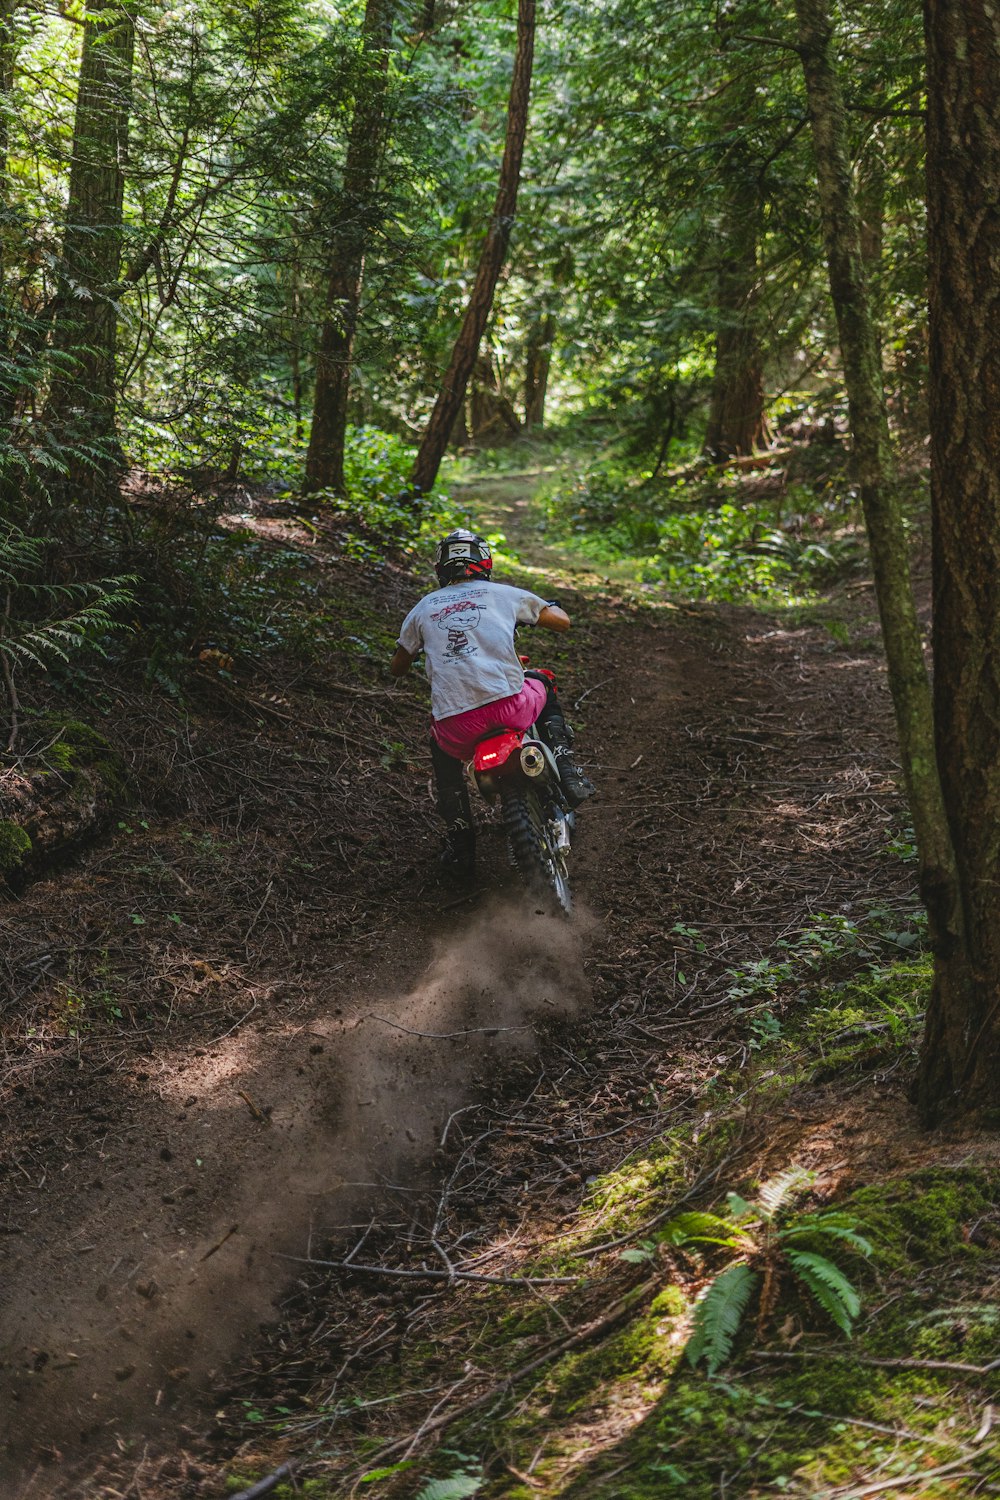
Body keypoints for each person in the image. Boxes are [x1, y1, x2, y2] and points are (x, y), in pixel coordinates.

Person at [389, 529, 594, 875]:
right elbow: (562, 623)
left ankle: (460, 838)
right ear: (484, 561)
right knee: (542, 680)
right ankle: (568, 771)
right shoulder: (502, 594)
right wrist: (550, 607)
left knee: (440, 751)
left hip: (456, 729)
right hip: (509, 708)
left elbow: (397, 666)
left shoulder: (423, 608)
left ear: (441, 567)